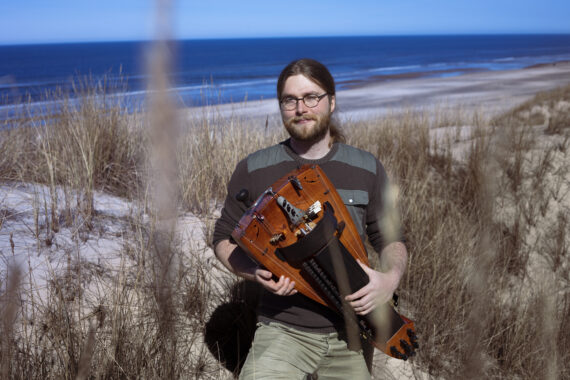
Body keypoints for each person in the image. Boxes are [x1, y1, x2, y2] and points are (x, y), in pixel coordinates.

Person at [212, 58, 408, 380]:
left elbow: (391, 239)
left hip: (353, 332)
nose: (301, 108)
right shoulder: (255, 168)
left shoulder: (365, 168)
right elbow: (223, 237)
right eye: (290, 100)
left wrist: (389, 279)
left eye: (311, 97)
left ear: (332, 101)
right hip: (282, 328)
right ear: (281, 107)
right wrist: (252, 272)